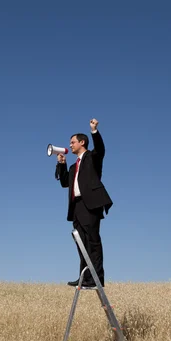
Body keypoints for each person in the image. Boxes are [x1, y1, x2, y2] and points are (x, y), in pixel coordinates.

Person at [56, 118, 113, 288]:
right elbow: (65, 182)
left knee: (93, 241)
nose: (70, 145)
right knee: (81, 243)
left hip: (91, 204)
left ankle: (97, 279)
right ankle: (85, 277)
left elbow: (101, 149)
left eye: (72, 142)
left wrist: (94, 131)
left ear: (82, 142)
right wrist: (62, 165)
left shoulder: (92, 158)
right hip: (77, 207)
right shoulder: (74, 166)